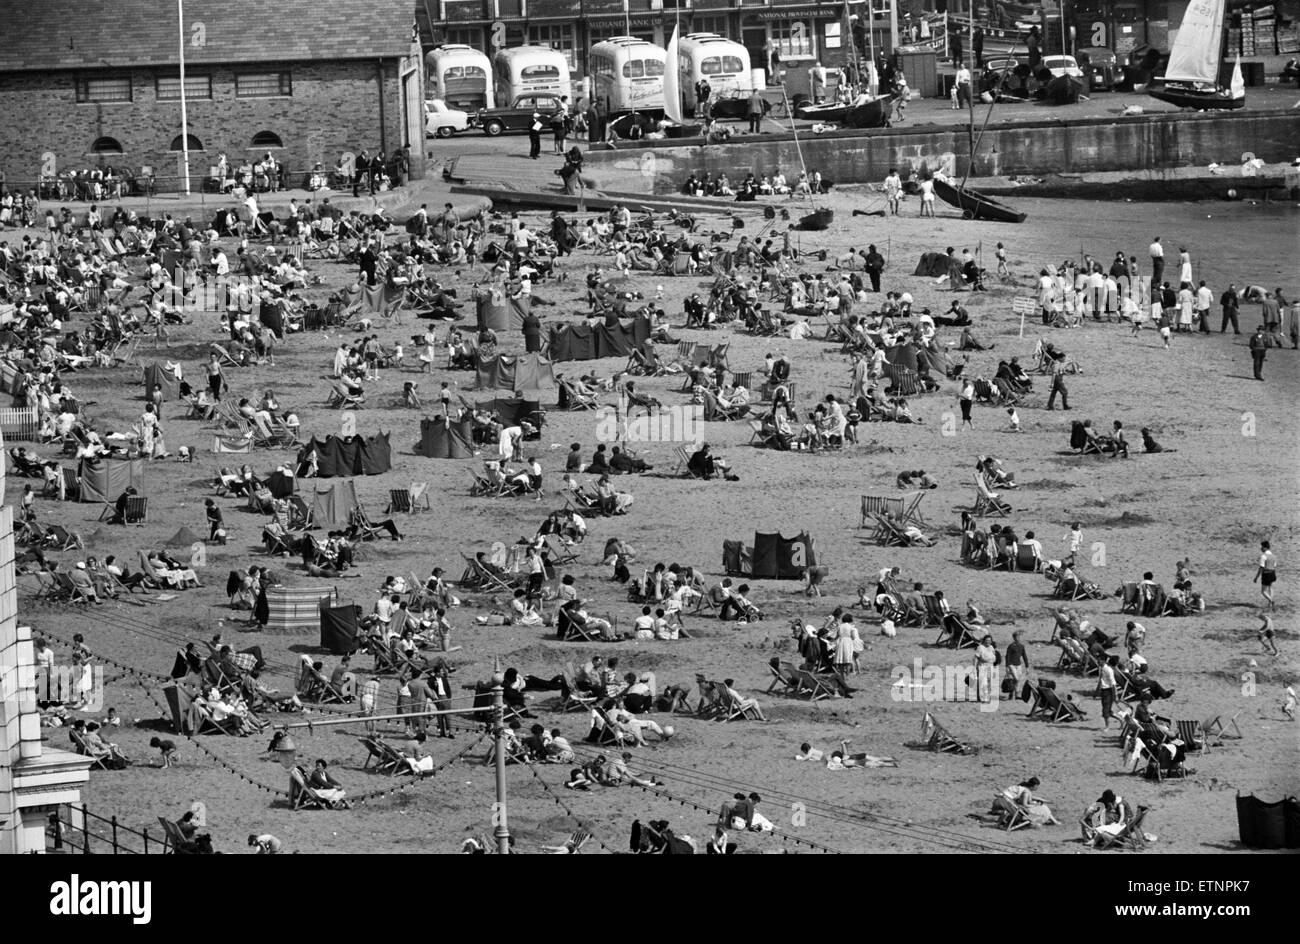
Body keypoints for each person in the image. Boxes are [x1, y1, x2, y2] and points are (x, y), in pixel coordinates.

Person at [1097, 654, 1119, 730]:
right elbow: (1100, 681)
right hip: (1104, 691)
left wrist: (1115, 695)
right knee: (1107, 710)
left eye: (1099, 660)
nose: (1098, 661)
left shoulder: (1108, 670)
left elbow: (1113, 684)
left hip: (1108, 691)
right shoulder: (1102, 669)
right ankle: (1120, 720)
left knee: (1105, 710)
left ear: (1103, 661)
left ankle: (1107, 727)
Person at [1254, 540, 1277, 609]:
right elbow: (1274, 565)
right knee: (1271, 588)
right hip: (1273, 573)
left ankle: (1271, 601)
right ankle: (1270, 605)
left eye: (1262, 547)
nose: (1261, 548)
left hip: (1266, 574)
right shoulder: (1274, 556)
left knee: (1263, 591)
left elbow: (1261, 568)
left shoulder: (1263, 556)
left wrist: (1256, 577)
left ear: (1265, 547)